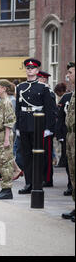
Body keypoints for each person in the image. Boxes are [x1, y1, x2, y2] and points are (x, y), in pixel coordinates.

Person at [15, 59, 57, 195]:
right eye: (28, 68)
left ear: (37, 71)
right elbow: (18, 108)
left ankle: (38, 182)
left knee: (38, 156)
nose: (30, 70)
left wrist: (48, 128)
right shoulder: (20, 87)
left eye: (32, 68)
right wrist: (17, 127)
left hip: (38, 124)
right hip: (24, 124)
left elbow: (49, 109)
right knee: (26, 155)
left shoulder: (43, 88)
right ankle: (29, 183)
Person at [0, 80, 16, 200]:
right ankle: (4, 188)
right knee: (2, 161)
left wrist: (6, 139)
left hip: (4, 134)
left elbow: (9, 122)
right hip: (0, 134)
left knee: (6, 162)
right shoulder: (1, 102)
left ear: (4, 89)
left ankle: (7, 190)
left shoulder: (7, 102)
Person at [37, 70, 56, 187]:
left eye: (39, 78)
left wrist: (49, 128)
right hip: (39, 127)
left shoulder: (48, 92)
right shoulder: (40, 91)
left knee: (47, 155)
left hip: (46, 128)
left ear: (44, 79)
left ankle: (48, 179)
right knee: (40, 155)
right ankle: (42, 177)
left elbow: (51, 111)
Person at [55, 83, 73, 196]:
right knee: (69, 162)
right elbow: (60, 117)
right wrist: (59, 134)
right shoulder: (67, 97)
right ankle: (71, 185)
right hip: (68, 134)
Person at [62, 62, 75, 222]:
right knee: (72, 172)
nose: (68, 75)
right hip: (71, 136)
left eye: (71, 72)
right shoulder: (72, 93)